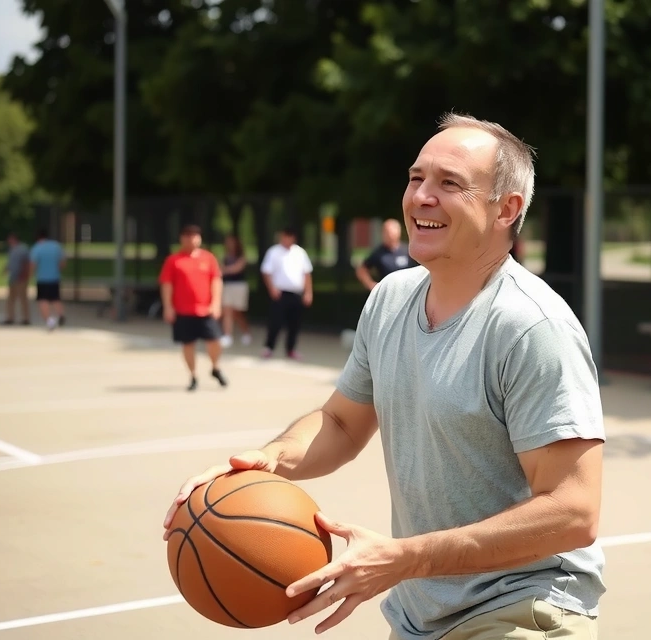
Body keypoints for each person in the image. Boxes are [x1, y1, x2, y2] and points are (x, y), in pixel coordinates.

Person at [163, 113, 606, 639]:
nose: (421, 196)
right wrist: (269, 461)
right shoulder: (391, 299)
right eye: (417, 178)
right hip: (421, 616)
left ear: (506, 209)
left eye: (449, 183)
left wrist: (405, 558)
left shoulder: (532, 327)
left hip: (521, 608)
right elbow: (342, 423)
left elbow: (572, 512)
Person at [158, 224, 228, 391]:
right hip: (183, 310)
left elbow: (216, 281)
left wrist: (216, 303)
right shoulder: (173, 260)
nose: (192, 239)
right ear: (182, 238)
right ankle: (193, 376)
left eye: (195, 235)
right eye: (188, 235)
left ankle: (215, 367)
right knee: (188, 344)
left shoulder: (208, 258)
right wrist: (168, 306)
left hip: (205, 310)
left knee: (215, 341)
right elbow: (166, 284)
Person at [259, 227, 313, 359]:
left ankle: (291, 349)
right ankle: (269, 347)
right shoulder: (273, 252)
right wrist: (271, 288)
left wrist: (308, 292)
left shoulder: (300, 253)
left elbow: (306, 274)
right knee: (275, 321)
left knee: (295, 323)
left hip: (296, 293)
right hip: (280, 292)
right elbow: (267, 272)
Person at [355, 218, 415, 290]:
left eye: (391, 232)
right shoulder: (379, 253)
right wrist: (371, 285)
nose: (389, 235)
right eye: (386, 232)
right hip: (387, 292)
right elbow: (362, 269)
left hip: (407, 290)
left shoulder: (408, 250)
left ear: (398, 232)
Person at [28, 229, 66, 330]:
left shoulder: (37, 248)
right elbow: (62, 263)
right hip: (54, 277)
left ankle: (49, 321)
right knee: (55, 298)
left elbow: (33, 264)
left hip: (42, 278)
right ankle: (60, 314)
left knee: (43, 300)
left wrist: (31, 275)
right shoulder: (56, 246)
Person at [218, 234, 252, 347]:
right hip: (227, 285)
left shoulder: (241, 257)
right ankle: (227, 335)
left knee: (237, 312)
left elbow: (236, 269)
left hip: (239, 286)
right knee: (227, 309)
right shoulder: (225, 256)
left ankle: (246, 332)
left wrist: (223, 270)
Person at [1, 232, 31, 325]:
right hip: (13, 277)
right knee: (11, 298)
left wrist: (25, 274)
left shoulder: (23, 249)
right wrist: (5, 270)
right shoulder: (11, 249)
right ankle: (10, 317)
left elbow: (27, 262)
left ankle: (26, 318)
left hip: (21, 277)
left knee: (23, 298)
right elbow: (10, 263)